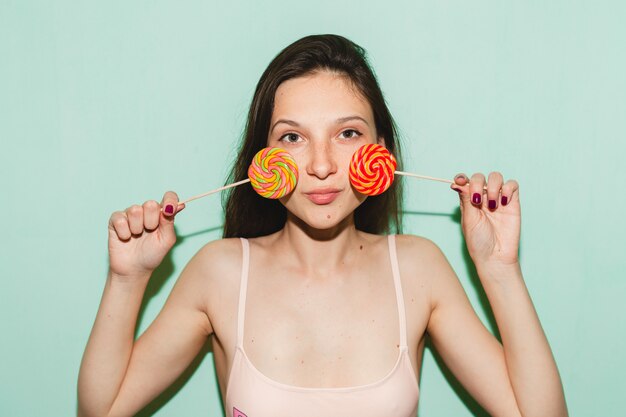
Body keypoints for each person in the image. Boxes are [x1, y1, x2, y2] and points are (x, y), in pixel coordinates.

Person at [77, 34, 568, 417]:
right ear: (262, 161)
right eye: (292, 137)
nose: (320, 164)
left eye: (348, 133)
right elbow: (103, 409)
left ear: (382, 150)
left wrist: (499, 269)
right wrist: (128, 279)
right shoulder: (220, 273)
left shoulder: (419, 269)